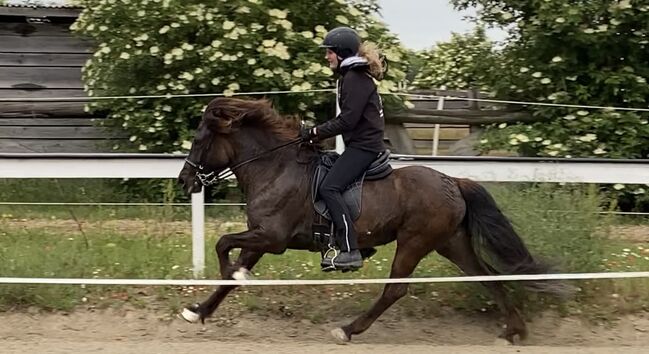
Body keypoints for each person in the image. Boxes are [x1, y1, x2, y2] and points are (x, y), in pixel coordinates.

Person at [300, 26, 386, 271]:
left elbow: (347, 121)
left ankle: (350, 249)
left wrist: (315, 132)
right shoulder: (352, 76)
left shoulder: (354, 78)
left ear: (341, 52)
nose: (326, 56)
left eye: (329, 52)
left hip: (364, 148)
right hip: (360, 145)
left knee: (330, 187)